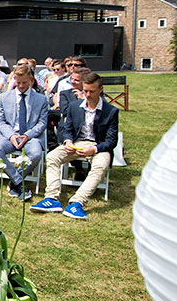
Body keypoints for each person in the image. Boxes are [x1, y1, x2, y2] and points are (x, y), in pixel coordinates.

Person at [31, 71, 118, 220]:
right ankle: (51, 198)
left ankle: (77, 202)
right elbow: (67, 129)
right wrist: (68, 141)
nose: (88, 95)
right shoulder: (74, 106)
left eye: (92, 91)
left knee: (101, 165)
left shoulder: (111, 111)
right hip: (77, 143)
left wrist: (94, 149)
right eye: (85, 91)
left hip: (99, 146)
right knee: (52, 157)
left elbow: (111, 141)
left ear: (101, 89)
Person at [0, 64, 49, 200]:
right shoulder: (3, 98)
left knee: (36, 154)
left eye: (24, 82)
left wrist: (27, 135)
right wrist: (11, 136)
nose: (21, 86)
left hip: (30, 136)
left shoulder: (40, 100)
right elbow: (0, 121)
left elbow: (42, 123)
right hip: (9, 135)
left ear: (31, 80)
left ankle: (15, 181)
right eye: (18, 82)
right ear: (14, 80)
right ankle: (20, 183)